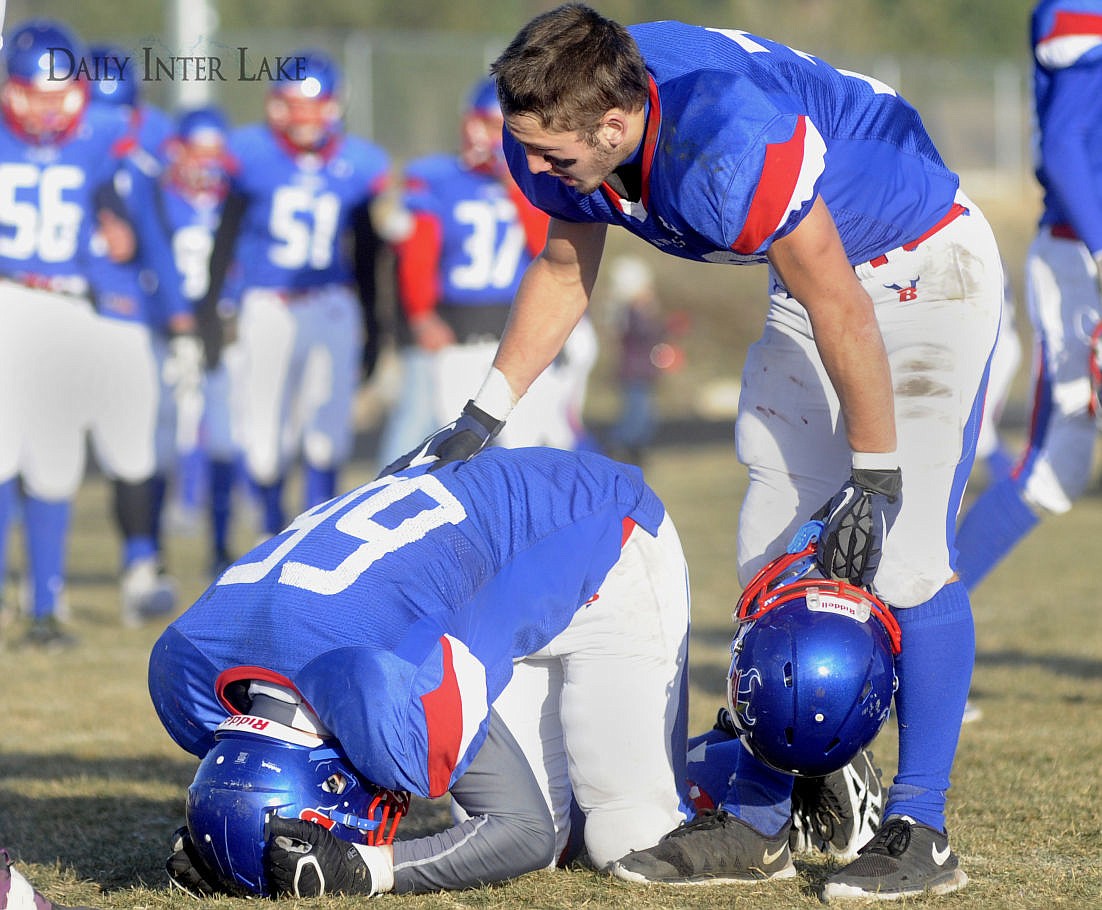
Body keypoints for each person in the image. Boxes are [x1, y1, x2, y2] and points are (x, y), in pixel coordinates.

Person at [385, 6, 1005, 901]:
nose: (539, 172)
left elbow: (843, 304)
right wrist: (485, 414)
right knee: (770, 553)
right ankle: (756, 826)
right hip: (814, 272)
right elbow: (564, 267)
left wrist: (875, 474)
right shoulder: (567, 111)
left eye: (556, 158)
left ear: (614, 124)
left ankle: (923, 824)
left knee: (904, 559)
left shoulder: (727, 139)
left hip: (916, 257)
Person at [149, 446, 692, 895]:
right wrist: (224, 831)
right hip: (474, 568)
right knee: (548, 842)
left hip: (605, 540)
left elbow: (517, 832)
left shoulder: (384, 679)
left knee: (629, 838)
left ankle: (740, 780)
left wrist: (369, 871)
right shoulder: (194, 664)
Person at [199, 49, 389, 540]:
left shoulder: (359, 163)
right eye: (294, 105)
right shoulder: (251, 154)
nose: (303, 118)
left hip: (331, 303)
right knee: (262, 431)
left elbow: (367, 254)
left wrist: (376, 324)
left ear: (333, 106)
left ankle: (315, 538)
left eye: (313, 105)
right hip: (268, 304)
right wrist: (209, 309)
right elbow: (225, 239)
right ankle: (269, 532)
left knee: (327, 428)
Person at [0, 19, 147, 646]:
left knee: (55, 461)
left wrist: (120, 233)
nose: (45, 107)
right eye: (32, 92)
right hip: (7, 296)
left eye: (57, 93)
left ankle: (45, 605)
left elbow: (123, 207)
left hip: (67, 306)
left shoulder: (101, 137)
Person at [956, 0, 1102, 592]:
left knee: (1057, 464)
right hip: (1081, 254)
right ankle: (918, 623)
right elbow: (1066, 147)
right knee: (1053, 465)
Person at [377, 77, 591, 470]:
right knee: (458, 449)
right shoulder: (437, 178)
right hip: (459, 332)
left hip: (520, 325)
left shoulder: (537, 178)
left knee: (539, 446)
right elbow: (418, 254)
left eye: (504, 130)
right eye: (490, 127)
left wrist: (513, 183)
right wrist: (422, 314)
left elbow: (549, 247)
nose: (495, 139)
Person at [157, 106, 239, 576]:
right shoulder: (165, 198)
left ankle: (221, 538)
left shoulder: (233, 197)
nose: (206, 164)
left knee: (227, 429)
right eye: (197, 153)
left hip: (224, 322)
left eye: (214, 154)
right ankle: (181, 508)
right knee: (179, 421)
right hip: (178, 323)